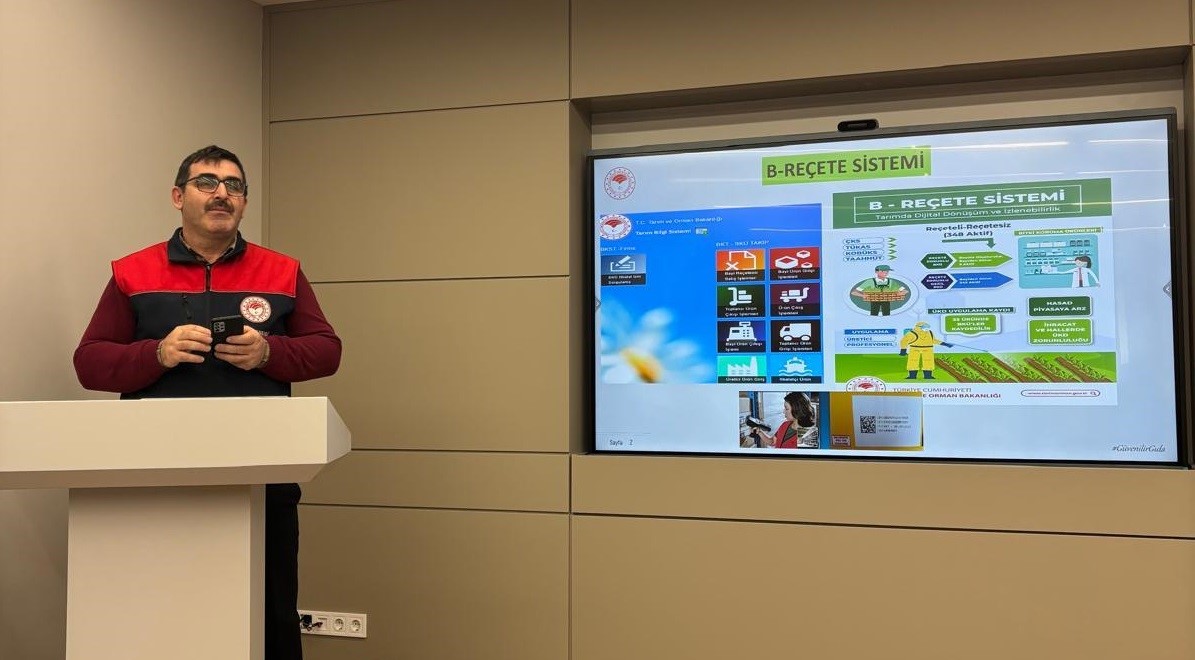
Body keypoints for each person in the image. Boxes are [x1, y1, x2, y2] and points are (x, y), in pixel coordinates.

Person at [74, 145, 341, 660]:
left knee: (271, 612)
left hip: (262, 473)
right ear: (178, 197)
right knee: (158, 611)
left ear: (244, 203)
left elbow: (328, 351)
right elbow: (89, 363)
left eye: (234, 186)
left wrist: (269, 352)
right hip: (154, 475)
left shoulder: (283, 271)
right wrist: (156, 353)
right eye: (207, 183)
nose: (222, 194)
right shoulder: (132, 272)